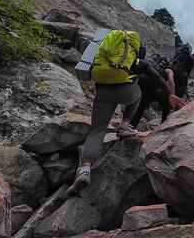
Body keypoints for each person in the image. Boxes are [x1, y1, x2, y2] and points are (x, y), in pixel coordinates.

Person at [68, 44, 184, 195]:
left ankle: (84, 169)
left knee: (97, 130)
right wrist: (170, 94)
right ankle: (125, 125)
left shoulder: (107, 57)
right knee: (137, 94)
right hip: (127, 92)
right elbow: (156, 78)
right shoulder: (140, 63)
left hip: (103, 92)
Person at [130, 53, 182, 128]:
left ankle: (130, 127)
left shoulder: (149, 63)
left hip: (141, 83)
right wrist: (172, 95)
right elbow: (171, 81)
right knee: (166, 104)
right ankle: (165, 123)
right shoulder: (168, 70)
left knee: (141, 107)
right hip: (154, 87)